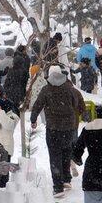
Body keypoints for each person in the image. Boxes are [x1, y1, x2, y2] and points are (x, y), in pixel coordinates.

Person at [29, 65, 86, 195]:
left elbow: (37, 105)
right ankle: (66, 179)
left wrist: (33, 119)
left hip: (53, 128)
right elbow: (77, 105)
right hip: (69, 128)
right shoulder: (70, 89)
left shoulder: (46, 90)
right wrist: (71, 115)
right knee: (66, 153)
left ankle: (58, 186)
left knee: (55, 156)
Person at [2, 46, 30, 110]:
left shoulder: (11, 70)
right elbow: (25, 83)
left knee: (11, 107)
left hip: (10, 92)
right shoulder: (24, 71)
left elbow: (7, 82)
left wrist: (5, 90)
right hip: (20, 92)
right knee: (17, 107)